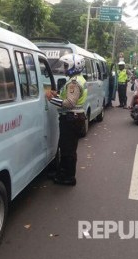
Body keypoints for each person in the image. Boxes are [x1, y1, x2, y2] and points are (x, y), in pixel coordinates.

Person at [46, 53, 87, 186]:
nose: (64, 68)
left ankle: (68, 178)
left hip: (71, 119)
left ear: (73, 66)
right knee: (65, 147)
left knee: (68, 150)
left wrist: (51, 98)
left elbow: (69, 103)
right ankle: (62, 172)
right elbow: (68, 96)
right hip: (74, 118)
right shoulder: (77, 79)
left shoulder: (74, 83)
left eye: (65, 65)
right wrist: (57, 94)